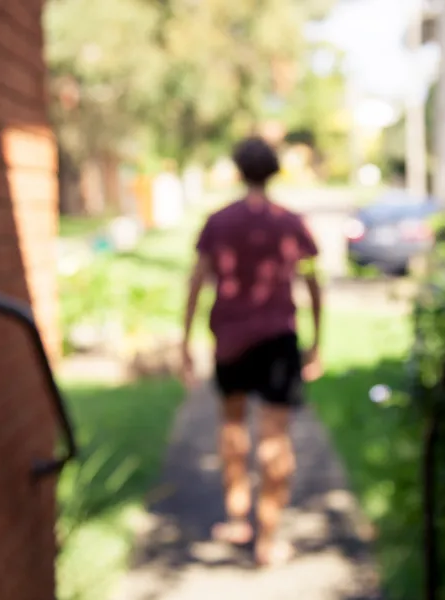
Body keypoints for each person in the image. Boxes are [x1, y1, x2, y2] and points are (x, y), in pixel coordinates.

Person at [180, 136, 323, 567]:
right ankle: (267, 540)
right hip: (279, 339)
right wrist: (319, 340)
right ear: (274, 171)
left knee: (232, 422)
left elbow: (196, 280)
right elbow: (314, 281)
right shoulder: (291, 221)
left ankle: (238, 517)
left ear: (239, 171)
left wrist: (184, 339)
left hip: (229, 339)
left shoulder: (217, 221)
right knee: (275, 436)